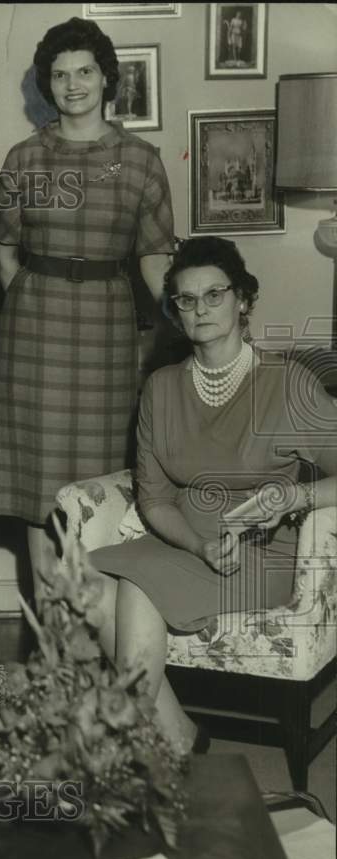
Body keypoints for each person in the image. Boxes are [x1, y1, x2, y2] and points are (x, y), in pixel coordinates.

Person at [88, 237, 337, 752]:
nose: (200, 309)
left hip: (261, 550)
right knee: (85, 582)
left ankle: (131, 754)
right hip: (186, 540)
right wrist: (196, 546)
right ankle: (176, 734)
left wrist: (294, 500)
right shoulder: (160, 387)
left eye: (215, 295)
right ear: (175, 312)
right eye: (185, 299)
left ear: (243, 300)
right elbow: (153, 498)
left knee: (134, 587)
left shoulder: (287, 382)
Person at [0, 17, 175, 600]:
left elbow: (154, 261)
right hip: (33, 339)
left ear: (105, 79)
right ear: (48, 85)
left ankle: (96, 644)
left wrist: (198, 326)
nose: (73, 85)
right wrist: (34, 296)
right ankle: (53, 650)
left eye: (85, 72)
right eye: (60, 75)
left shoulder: (140, 159)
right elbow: (1, 252)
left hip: (108, 335)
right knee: (38, 494)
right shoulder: (23, 157)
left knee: (100, 492)